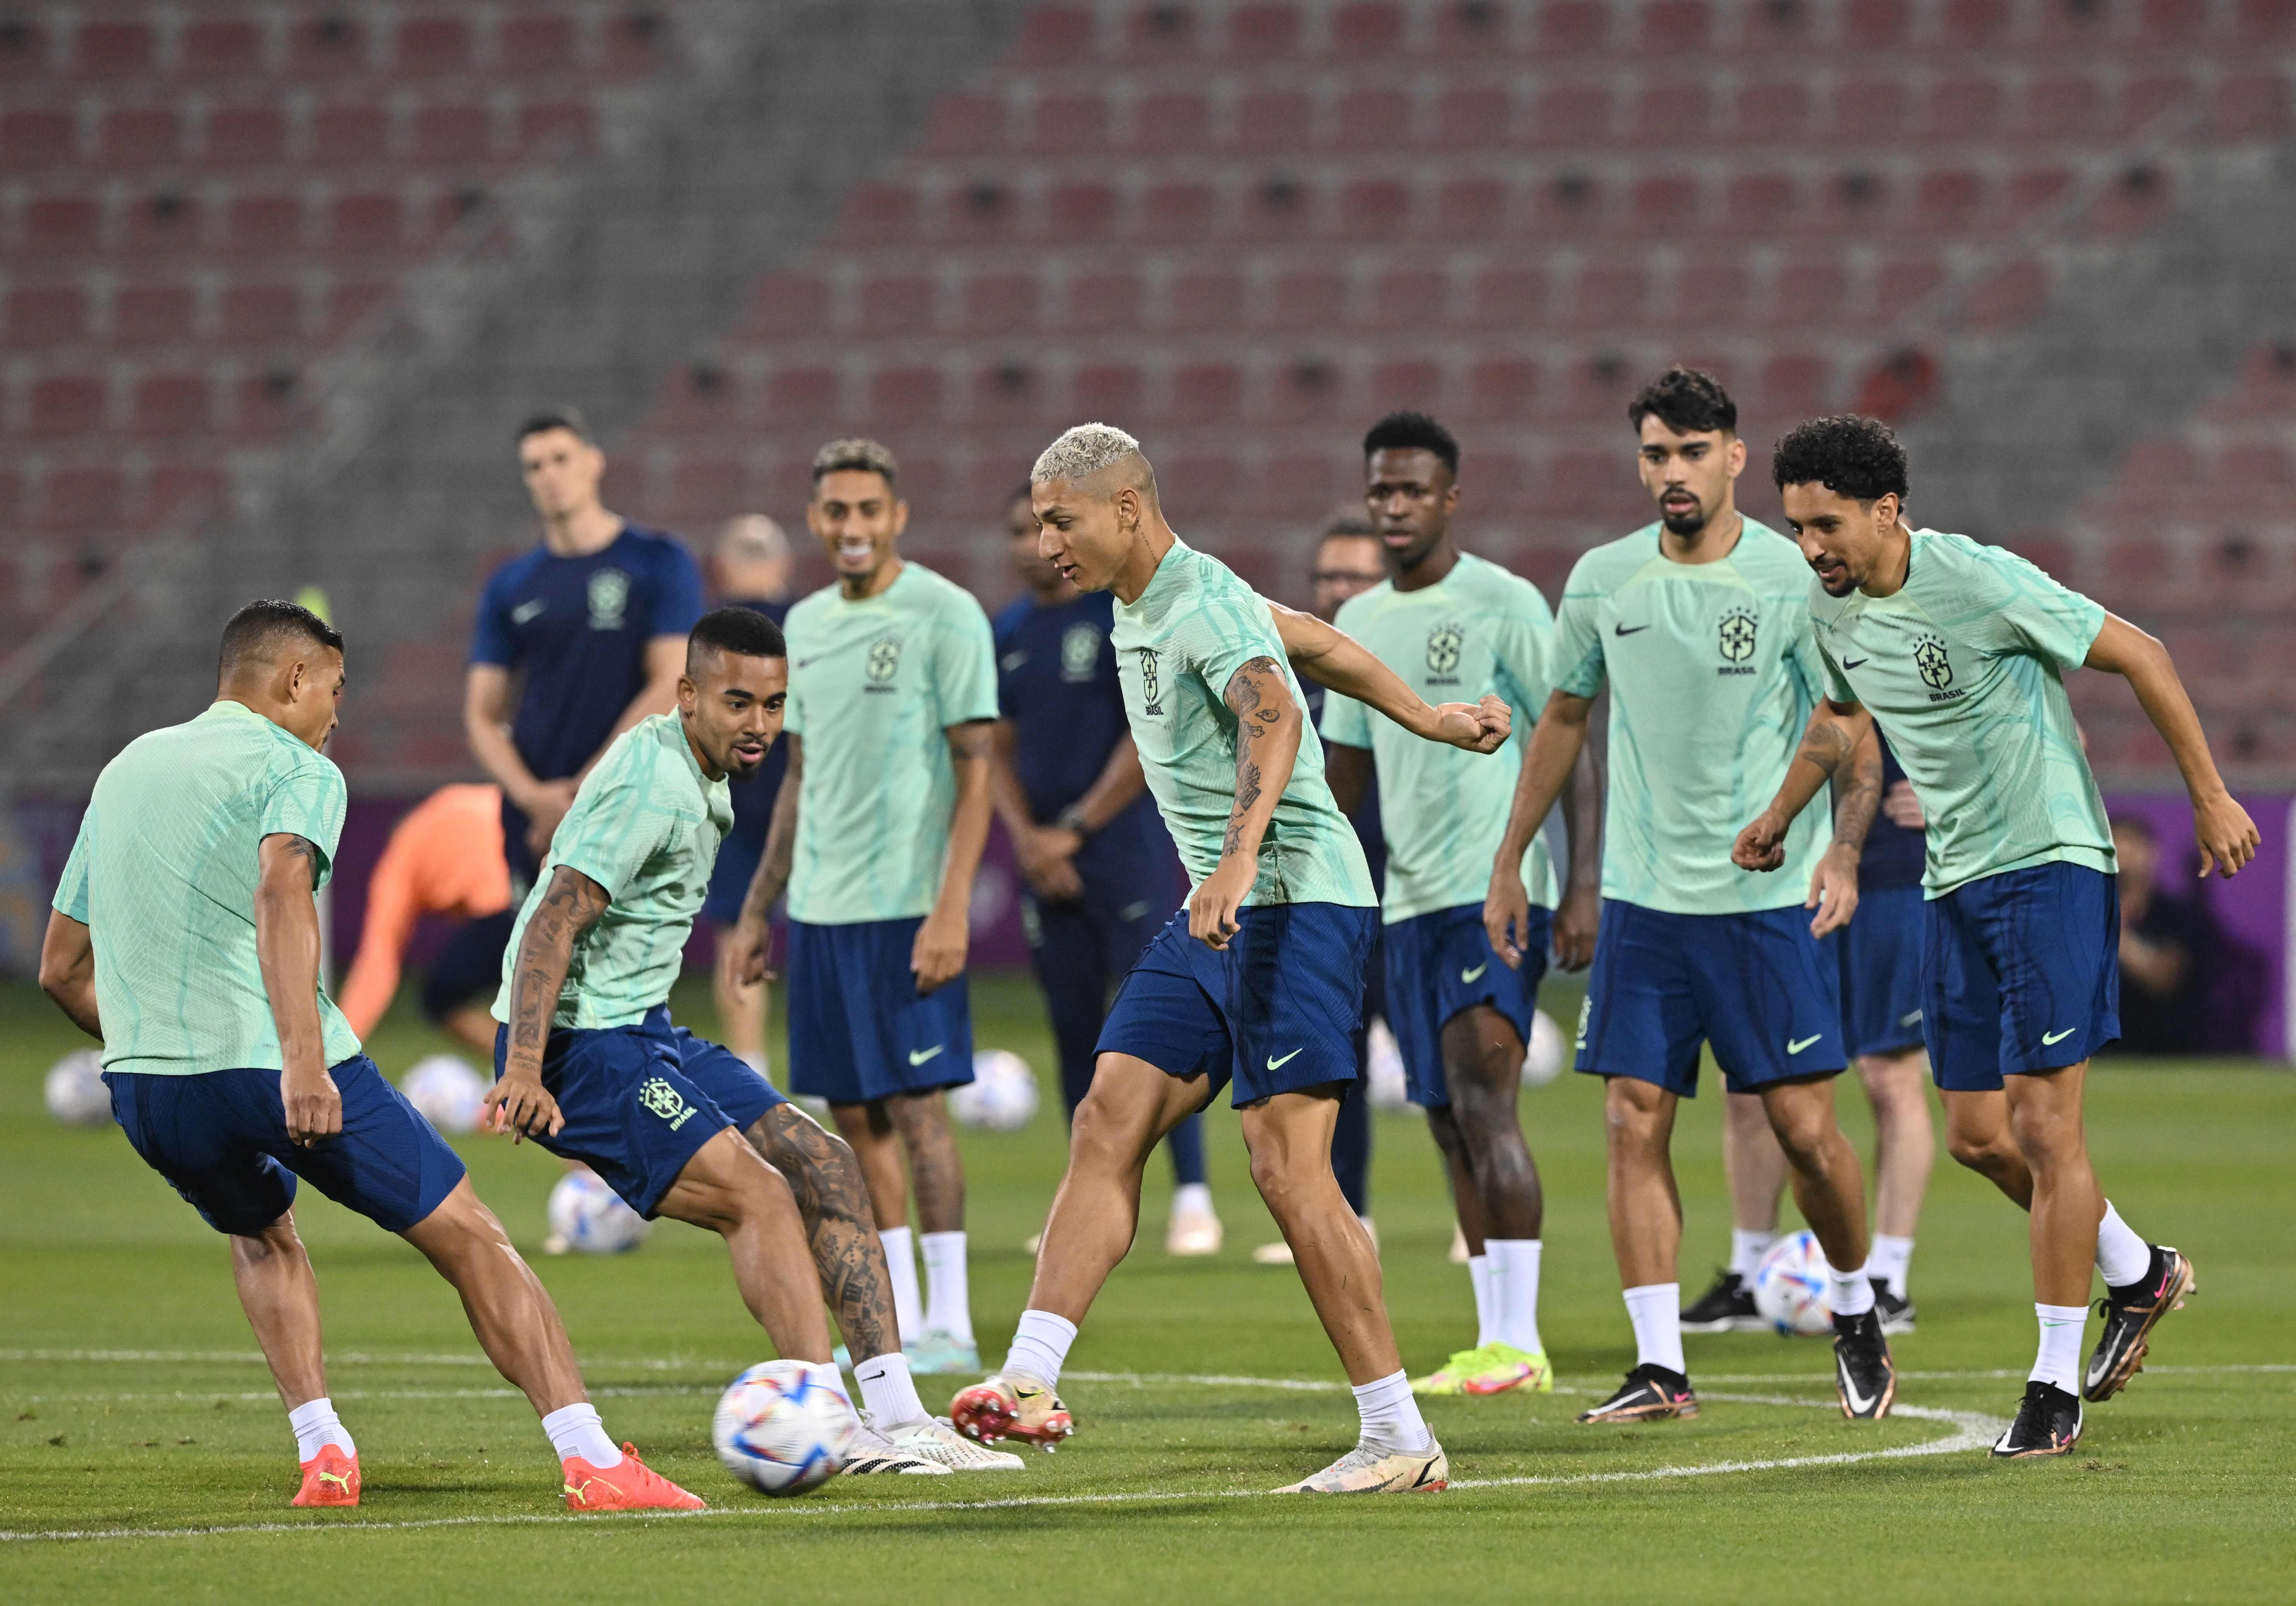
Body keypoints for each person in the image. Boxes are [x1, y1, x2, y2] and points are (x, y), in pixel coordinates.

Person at [37, 599, 702, 1512]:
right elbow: (281, 889)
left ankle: (324, 1452)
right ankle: (590, 1459)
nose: (339, 713)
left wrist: (158, 1046)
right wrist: (301, 1061)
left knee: (263, 1235)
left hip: (150, 1090)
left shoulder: (124, 771)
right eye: (336, 690)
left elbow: (60, 969)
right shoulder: (297, 766)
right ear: (293, 680)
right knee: (469, 1234)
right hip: (277, 1063)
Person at [950, 422, 1514, 1494]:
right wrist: (1429, 720)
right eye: (1037, 521)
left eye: (1059, 519)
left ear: (1124, 508)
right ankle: (1026, 1379)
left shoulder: (1195, 603)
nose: (1044, 541)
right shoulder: (1155, 598)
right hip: (1228, 908)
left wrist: (1236, 860)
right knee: (1108, 1111)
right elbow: (1311, 637)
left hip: (1296, 897)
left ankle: (1397, 1436)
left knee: (1283, 1168)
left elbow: (1270, 713)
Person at [1742, 413, 2254, 1456]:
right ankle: (2137, 1272)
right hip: (1953, 882)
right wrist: (1787, 817)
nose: (1809, 549)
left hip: (2050, 864)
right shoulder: (1827, 604)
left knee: (2040, 1125)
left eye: (1825, 526)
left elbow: (2141, 655)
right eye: (1796, 528)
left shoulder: (1976, 580)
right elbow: (1840, 718)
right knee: (1975, 1134)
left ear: (1884, 511)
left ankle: (2051, 1387)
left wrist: (2207, 798)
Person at [484, 606, 1017, 1475]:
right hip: (581, 1047)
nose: (760, 725)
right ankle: (828, 1422)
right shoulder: (651, 783)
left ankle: (900, 1415)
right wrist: (524, 1068)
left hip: (643, 1030)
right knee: (761, 1197)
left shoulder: (700, 767)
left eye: (774, 705)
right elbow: (554, 916)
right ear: (687, 695)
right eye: (738, 703)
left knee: (826, 1162)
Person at [1483, 368, 1896, 1425]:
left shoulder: (1789, 574)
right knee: (1630, 1121)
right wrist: (1511, 860)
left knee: (1807, 1133)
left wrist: (1841, 854)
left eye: (1690, 452)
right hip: (1641, 902)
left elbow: (1848, 727)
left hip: (1758, 907)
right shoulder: (1602, 580)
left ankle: (1852, 1310)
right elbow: (1564, 721)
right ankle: (1659, 1364)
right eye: (1654, 454)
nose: (1671, 472)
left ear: (1732, 458)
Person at [1321, 412, 1602, 1398]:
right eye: (1380, 491)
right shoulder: (1358, 626)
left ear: (1450, 497)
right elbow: (1343, 777)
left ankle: (1521, 1341)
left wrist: (1574, 880)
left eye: (1412, 491)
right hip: (1405, 909)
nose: (1394, 507)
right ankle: (1494, 1340)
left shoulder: (1503, 602)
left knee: (1487, 1104)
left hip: (1494, 897)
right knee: (1443, 1120)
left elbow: (1569, 737)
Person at [719, 439, 998, 1375]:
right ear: (815, 520)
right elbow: (797, 776)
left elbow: (977, 769)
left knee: (919, 1110)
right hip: (824, 912)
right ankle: (903, 1317)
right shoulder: (799, 625)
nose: (851, 528)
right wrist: (762, 907)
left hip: (907, 905)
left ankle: (953, 1321)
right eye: (835, 511)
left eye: (867, 511)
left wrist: (951, 906)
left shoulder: (944, 614)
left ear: (897, 516)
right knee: (856, 1117)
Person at [988, 483, 1221, 1257]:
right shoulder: (1008, 632)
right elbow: (996, 747)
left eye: (1046, 526)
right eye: (1019, 529)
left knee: (1157, 1025)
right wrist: (1027, 839)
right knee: (1071, 1029)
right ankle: (1085, 1195)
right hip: (1042, 860)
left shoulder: (1116, 617)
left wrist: (1076, 829)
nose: (1032, 543)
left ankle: (1192, 1197)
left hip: (1124, 849)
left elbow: (1143, 739)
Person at [1684, 731, 1936, 1336]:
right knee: (1748, 1081)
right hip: (1783, 876)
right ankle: (1749, 1273)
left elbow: (2054, 726)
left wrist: (1962, 795)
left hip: (1891, 877)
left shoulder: (1917, 635)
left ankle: (1887, 1279)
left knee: (1887, 1075)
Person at [464, 406, 703, 915]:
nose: (549, 475)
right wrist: (534, 797)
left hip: (630, 799)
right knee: (536, 974)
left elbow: (672, 680)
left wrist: (583, 793)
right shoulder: (512, 584)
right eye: (534, 466)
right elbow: (482, 715)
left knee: (624, 974)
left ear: (594, 462)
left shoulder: (658, 559)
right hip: (537, 815)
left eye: (560, 458)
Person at [1253, 514, 1388, 1266]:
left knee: (1445, 1064)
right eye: (1327, 577)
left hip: (1410, 887)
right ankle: (1350, 1211)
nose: (1339, 590)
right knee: (1343, 1062)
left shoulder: (1394, 672)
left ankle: (1482, 1232)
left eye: (1355, 577)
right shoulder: (1289, 685)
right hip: (1332, 897)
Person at [702, 514, 796, 1074]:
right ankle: (755, 1064)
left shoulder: (710, 637)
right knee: (740, 935)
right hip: (739, 805)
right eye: (747, 552)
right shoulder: (810, 625)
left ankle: (763, 1062)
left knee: (746, 935)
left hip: (794, 799)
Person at [335, 783, 512, 1052]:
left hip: (506, 910)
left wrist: (340, 1045)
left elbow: (379, 958)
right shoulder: (465, 801)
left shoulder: (400, 859)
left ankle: (525, 1070)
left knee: (442, 998)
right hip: (555, 889)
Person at [2108, 815, 2204, 1054]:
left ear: (2152, 854)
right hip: (2099, 1051)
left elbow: (2164, 980)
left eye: (2133, 848)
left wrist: (2115, 934)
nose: (2125, 859)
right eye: (2116, 849)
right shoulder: (2083, 912)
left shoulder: (2173, 915)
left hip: (2161, 1049)